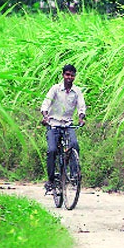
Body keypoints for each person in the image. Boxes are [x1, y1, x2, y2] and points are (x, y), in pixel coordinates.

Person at [41, 64, 86, 192]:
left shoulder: (77, 91)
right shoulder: (55, 89)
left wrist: (81, 118)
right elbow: (46, 104)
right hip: (53, 124)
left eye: (72, 75)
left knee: (74, 144)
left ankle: (73, 174)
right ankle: (50, 180)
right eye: (67, 75)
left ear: (74, 77)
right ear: (63, 75)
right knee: (52, 150)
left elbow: (81, 106)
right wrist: (45, 117)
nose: (69, 77)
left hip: (67, 124)